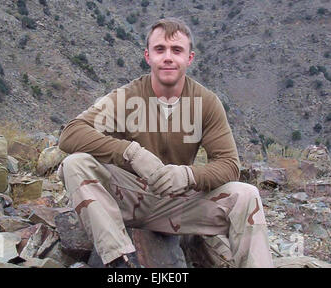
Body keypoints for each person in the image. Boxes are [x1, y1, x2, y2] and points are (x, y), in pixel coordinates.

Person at [57, 18, 274, 268]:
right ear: (148, 56)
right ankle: (120, 261)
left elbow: (228, 165)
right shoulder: (127, 96)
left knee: (247, 194)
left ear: (189, 58)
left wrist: (188, 176)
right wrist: (131, 153)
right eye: (160, 49)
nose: (168, 57)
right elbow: (71, 133)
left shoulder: (206, 102)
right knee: (75, 163)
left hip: (181, 203)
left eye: (177, 50)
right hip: (130, 198)